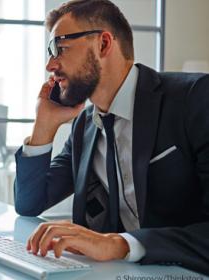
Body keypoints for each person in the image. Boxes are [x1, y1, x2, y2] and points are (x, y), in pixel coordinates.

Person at [14, 0, 209, 275]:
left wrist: (120, 244)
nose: (50, 64)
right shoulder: (86, 125)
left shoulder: (195, 98)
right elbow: (29, 203)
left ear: (104, 44)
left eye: (60, 47)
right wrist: (43, 127)